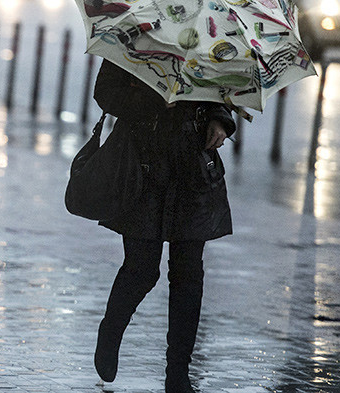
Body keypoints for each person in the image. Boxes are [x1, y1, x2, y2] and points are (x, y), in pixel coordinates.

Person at [92, 59, 236, 393]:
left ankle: (178, 373)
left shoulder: (213, 38)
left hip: (193, 167)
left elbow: (225, 89)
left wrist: (220, 120)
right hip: (142, 165)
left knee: (188, 274)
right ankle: (111, 330)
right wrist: (154, 103)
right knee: (142, 269)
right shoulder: (136, 31)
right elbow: (106, 91)